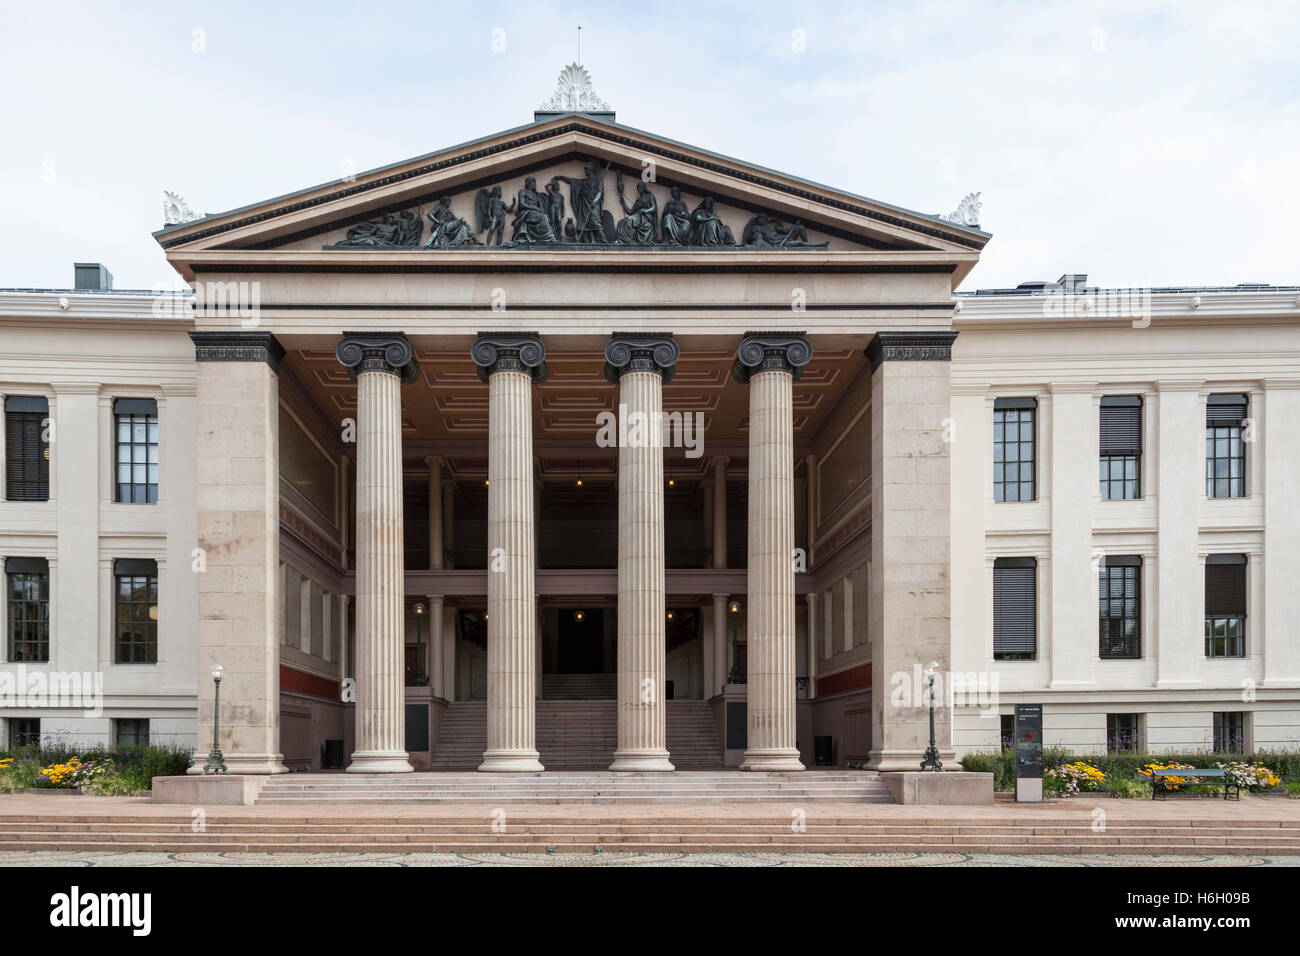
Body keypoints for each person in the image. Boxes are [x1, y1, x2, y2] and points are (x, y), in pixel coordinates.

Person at [554, 160, 606, 242]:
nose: (585, 171)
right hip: (584, 205)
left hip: (594, 205)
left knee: (595, 222)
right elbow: (572, 181)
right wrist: (561, 177)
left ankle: (604, 240)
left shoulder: (598, 179)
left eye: (586, 169)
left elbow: (600, 192)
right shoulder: (583, 182)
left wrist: (594, 201)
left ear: (590, 170)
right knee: (584, 224)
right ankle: (589, 241)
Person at [507, 177, 557, 243]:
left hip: (535, 213)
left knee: (545, 217)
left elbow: (546, 202)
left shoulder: (536, 195)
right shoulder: (523, 191)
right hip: (526, 212)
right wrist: (533, 208)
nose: (535, 184)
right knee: (543, 217)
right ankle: (548, 236)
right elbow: (521, 204)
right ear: (529, 183)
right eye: (534, 183)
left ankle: (545, 237)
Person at [614, 176, 658, 245]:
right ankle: (625, 240)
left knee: (629, 220)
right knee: (623, 221)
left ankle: (627, 240)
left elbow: (654, 208)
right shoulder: (638, 200)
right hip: (638, 216)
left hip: (646, 217)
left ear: (644, 188)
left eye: (640, 187)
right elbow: (630, 211)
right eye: (638, 188)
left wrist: (646, 211)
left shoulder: (649, 196)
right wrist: (623, 203)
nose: (639, 190)